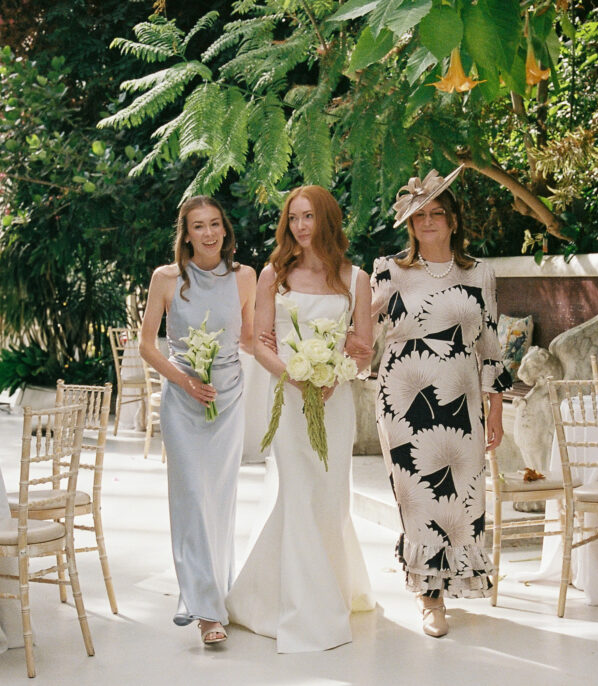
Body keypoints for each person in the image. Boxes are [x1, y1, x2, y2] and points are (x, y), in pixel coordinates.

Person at [225, 185, 374, 653]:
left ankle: (322, 590)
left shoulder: (356, 279)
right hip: (289, 400)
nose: (300, 226)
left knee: (328, 497)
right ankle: (304, 612)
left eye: (308, 216)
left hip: (335, 402)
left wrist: (336, 375)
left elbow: (363, 350)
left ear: (327, 219)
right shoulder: (275, 275)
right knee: (296, 493)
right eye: (293, 218)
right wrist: (294, 374)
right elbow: (260, 342)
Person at [369, 167, 511, 638]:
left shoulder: (479, 273)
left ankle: (449, 581)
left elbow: (490, 345)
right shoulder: (389, 270)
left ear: (453, 220)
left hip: (461, 396)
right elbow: (361, 330)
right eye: (419, 215)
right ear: (409, 225)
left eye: (436, 213)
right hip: (403, 397)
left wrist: (495, 407)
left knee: (461, 496)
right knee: (418, 497)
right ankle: (429, 596)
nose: (427, 222)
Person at [139, 196, 256, 645]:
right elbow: (147, 345)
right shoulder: (166, 279)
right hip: (182, 401)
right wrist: (185, 382)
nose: (208, 233)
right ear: (186, 235)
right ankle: (205, 611)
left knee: (219, 500)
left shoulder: (245, 277)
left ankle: (214, 595)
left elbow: (248, 338)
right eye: (198, 226)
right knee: (190, 498)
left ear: (225, 229)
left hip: (228, 400)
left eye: (214, 224)